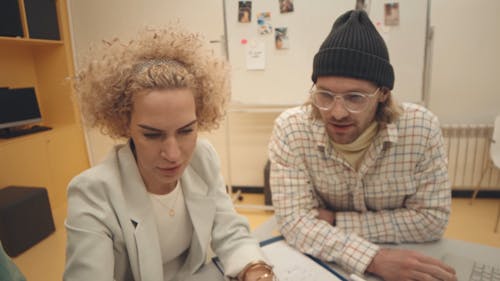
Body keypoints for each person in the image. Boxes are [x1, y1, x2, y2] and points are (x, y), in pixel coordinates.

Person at [64, 25, 275, 281]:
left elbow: (228, 229)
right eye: (152, 135)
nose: (173, 154)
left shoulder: (202, 158)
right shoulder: (93, 193)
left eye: (186, 131)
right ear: (124, 124)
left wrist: (257, 270)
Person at [268, 10, 456, 281]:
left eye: (354, 97)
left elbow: (432, 220)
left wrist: (335, 220)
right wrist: (373, 259)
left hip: (405, 254)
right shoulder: (291, 129)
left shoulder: (421, 129)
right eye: (325, 94)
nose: (336, 112)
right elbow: (294, 222)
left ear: (383, 94)